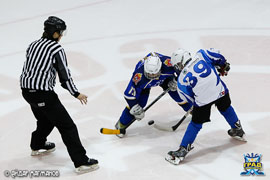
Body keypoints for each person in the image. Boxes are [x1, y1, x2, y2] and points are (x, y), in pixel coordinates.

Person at [20, 16, 98, 173]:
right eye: (61, 32)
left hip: (26, 92)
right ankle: (81, 162)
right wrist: (76, 93)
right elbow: (64, 75)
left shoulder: (32, 45)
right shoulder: (56, 49)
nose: (62, 36)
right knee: (67, 126)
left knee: (45, 120)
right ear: (54, 33)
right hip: (43, 94)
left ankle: (38, 144)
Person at [165, 48, 247, 165]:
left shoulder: (181, 80)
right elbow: (218, 58)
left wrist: (195, 104)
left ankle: (183, 149)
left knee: (195, 124)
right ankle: (238, 129)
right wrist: (223, 66)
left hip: (203, 100)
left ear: (180, 63)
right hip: (220, 91)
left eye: (177, 65)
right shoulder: (202, 54)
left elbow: (186, 97)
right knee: (226, 108)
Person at [115, 52, 193, 137]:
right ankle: (121, 124)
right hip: (146, 85)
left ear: (160, 68)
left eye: (154, 74)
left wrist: (176, 80)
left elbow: (182, 70)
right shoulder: (139, 77)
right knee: (140, 104)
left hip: (164, 78)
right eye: (149, 74)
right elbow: (128, 95)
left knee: (177, 95)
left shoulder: (167, 64)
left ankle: (192, 110)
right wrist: (134, 106)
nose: (152, 76)